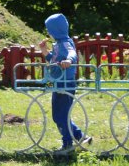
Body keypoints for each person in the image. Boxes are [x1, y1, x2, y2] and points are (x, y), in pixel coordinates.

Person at [38, 13, 92, 152]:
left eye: (49, 30)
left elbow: (71, 53)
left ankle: (67, 143)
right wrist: (44, 51)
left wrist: (69, 60)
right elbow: (53, 60)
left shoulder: (66, 42)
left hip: (65, 83)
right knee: (58, 115)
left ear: (56, 30)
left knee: (61, 115)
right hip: (57, 82)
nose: (48, 33)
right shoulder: (57, 44)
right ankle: (80, 136)